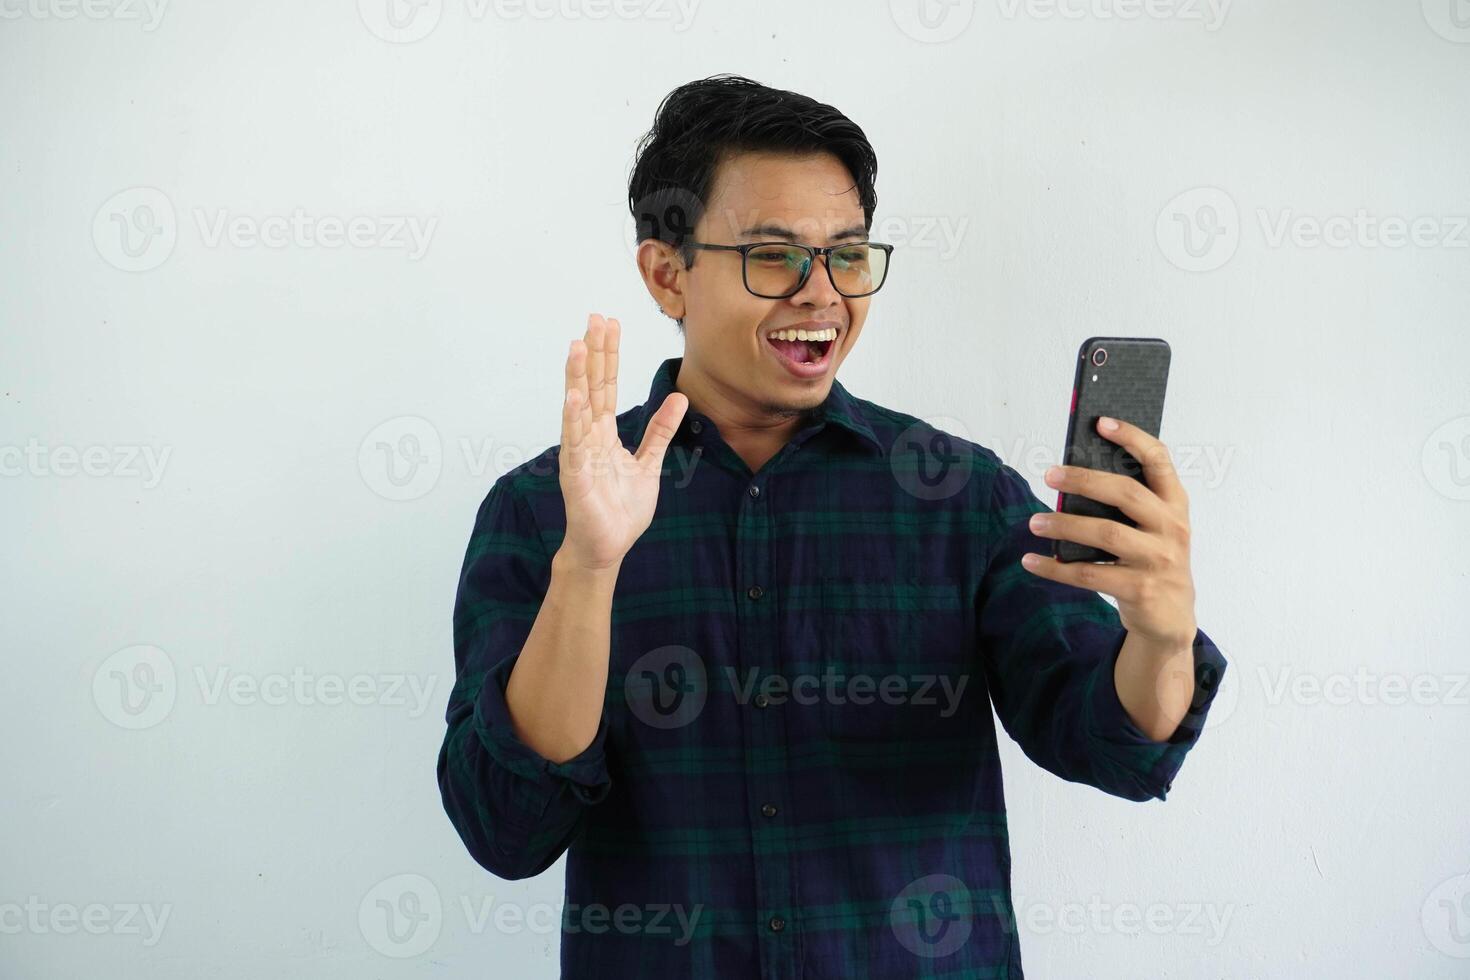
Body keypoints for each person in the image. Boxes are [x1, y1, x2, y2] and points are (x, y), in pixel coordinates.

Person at [437, 73, 1228, 978]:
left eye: (847, 256)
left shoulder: (959, 496)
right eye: (773, 256)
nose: (821, 296)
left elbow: (1111, 747)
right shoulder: (542, 510)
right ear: (667, 273)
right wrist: (587, 567)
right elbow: (507, 828)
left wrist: (1161, 637)